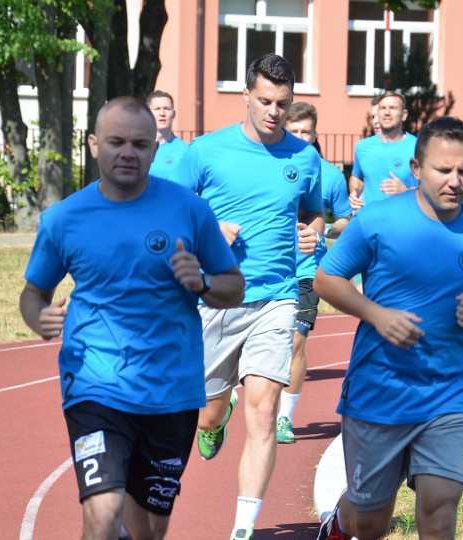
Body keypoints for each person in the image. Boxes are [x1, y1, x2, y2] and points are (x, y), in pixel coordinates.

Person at [18, 96, 245, 540]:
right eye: (116, 141)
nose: (128, 152)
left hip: (171, 390)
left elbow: (233, 287)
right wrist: (39, 318)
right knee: (103, 515)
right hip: (94, 385)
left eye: (140, 144)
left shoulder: (189, 210)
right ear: (93, 145)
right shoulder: (64, 219)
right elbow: (33, 294)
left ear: (155, 150)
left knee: (150, 531)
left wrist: (199, 283)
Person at [313, 116, 463, 540]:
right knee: (370, 522)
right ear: (416, 168)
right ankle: (339, 521)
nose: (455, 180)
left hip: (449, 394)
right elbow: (325, 279)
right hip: (380, 392)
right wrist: (377, 314)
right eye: (443, 170)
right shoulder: (377, 220)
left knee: (440, 514)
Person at [172, 53, 325, 540]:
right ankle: (214, 418)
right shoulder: (207, 151)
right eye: (264, 101)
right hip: (214, 300)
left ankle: (243, 530)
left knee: (263, 409)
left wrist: (313, 232)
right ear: (246, 96)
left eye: (282, 103)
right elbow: (167, 213)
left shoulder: (304, 158)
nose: (274, 112)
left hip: (277, 299)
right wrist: (207, 230)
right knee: (208, 410)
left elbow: (317, 212)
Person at [276, 102, 352, 445]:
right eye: (294, 131)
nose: (300, 137)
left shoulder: (331, 175)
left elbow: (345, 220)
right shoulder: (271, 165)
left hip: (308, 271)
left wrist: (324, 232)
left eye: (306, 131)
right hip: (269, 270)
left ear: (315, 134)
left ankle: (284, 418)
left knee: (295, 342)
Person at [348, 91, 418, 214]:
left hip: (405, 221)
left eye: (393, 108)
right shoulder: (363, 147)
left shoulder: (417, 147)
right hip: (370, 222)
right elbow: (357, 177)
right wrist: (355, 192)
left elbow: (431, 188)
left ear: (404, 115)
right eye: (382, 108)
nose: (386, 112)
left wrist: (405, 190)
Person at [146, 90, 189, 181]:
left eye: (167, 109)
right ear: (148, 114)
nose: (162, 113)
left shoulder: (185, 151)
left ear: (174, 114)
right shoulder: (138, 148)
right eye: (157, 109)